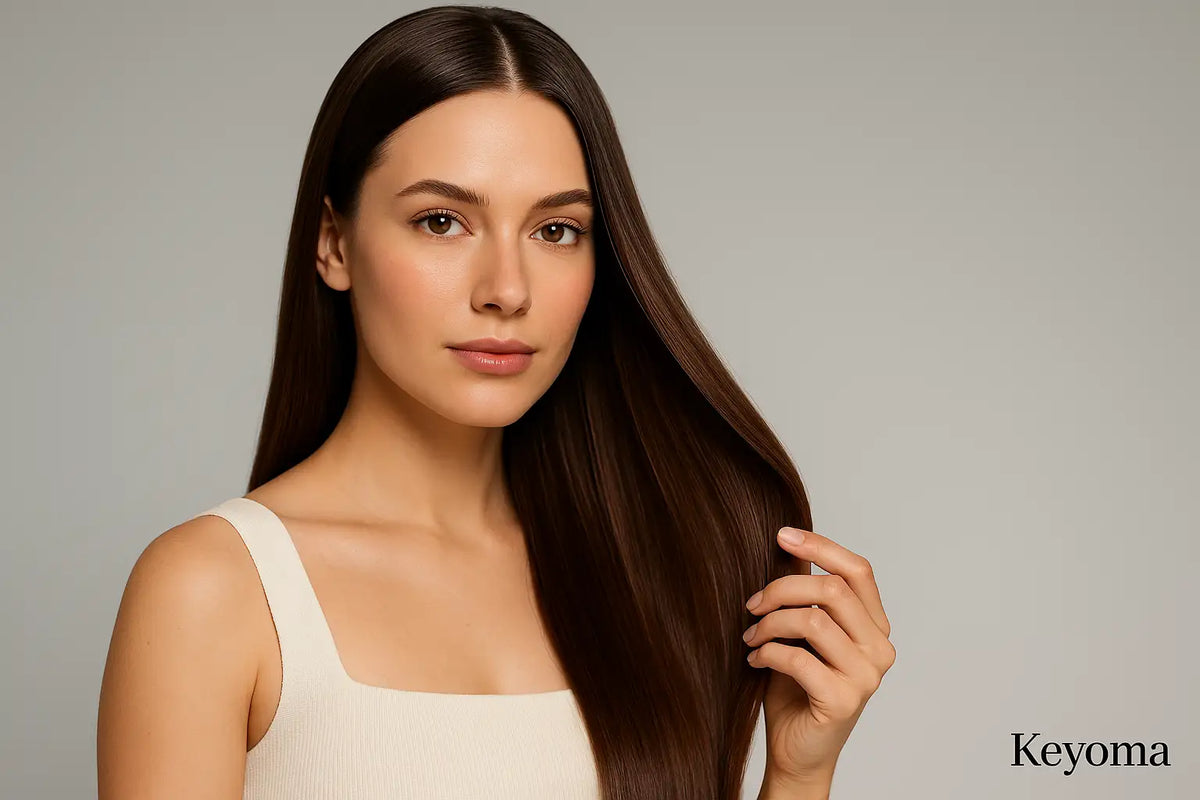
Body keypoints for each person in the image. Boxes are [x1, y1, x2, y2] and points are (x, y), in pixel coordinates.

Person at [96, 6, 895, 799]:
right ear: (334, 243)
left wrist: (798, 772)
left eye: (556, 230)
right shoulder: (214, 591)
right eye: (442, 221)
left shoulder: (647, 574)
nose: (507, 291)